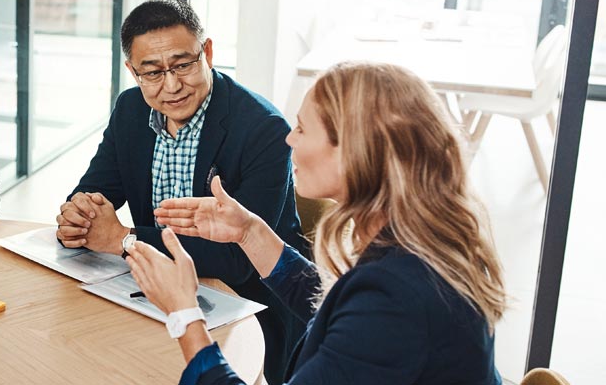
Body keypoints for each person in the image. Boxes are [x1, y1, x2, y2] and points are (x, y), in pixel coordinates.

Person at [130, 61, 507, 384]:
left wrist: (184, 314)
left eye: (302, 128)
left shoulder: (396, 295)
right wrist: (250, 232)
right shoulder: (415, 239)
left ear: (356, 151)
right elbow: (338, 311)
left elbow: (368, 314)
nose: (289, 140)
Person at [56, 0, 305, 384]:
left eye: (183, 65)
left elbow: (240, 260)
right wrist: (79, 215)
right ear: (132, 70)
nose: (171, 86)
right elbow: (95, 190)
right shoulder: (130, 110)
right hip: (153, 298)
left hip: (247, 306)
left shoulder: (263, 128)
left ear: (206, 51)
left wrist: (123, 239)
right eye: (152, 73)